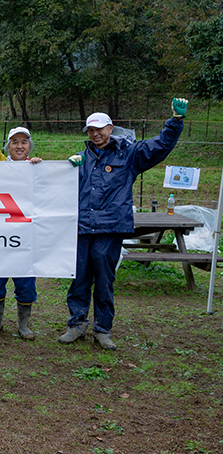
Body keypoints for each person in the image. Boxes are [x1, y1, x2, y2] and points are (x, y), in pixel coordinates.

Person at [59, 98, 188, 350]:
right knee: (79, 278)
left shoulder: (130, 154)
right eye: (91, 130)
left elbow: (159, 146)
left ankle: (103, 329)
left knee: (105, 279)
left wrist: (175, 122)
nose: (96, 134)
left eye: (100, 129)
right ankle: (76, 324)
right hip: (82, 228)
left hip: (110, 228)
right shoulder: (81, 158)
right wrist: (64, 169)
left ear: (110, 128)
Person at [0, 93, 42, 340]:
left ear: (29, 146)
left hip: (25, 237)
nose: (19, 145)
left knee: (26, 283)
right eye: (14, 141)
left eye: (24, 142)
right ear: (7, 146)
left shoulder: (38, 168)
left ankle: (23, 324)